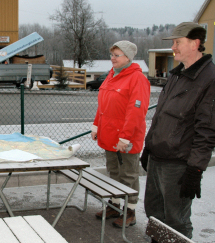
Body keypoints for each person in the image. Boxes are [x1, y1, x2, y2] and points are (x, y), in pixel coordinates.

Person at [141, 22, 215, 240]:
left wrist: (195, 169)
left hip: (179, 164)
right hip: (157, 157)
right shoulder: (176, 74)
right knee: (154, 212)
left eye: (177, 42)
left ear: (195, 44)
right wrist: (149, 146)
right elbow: (162, 115)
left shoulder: (210, 79)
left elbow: (207, 130)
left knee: (176, 221)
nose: (173, 47)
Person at [91, 40, 150, 228]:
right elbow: (103, 106)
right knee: (114, 172)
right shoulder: (112, 75)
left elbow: (136, 111)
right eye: (112, 55)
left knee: (129, 175)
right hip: (109, 135)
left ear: (128, 57)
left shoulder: (137, 78)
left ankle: (130, 211)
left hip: (127, 138)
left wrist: (125, 137)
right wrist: (96, 126)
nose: (112, 58)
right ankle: (114, 206)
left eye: (117, 55)